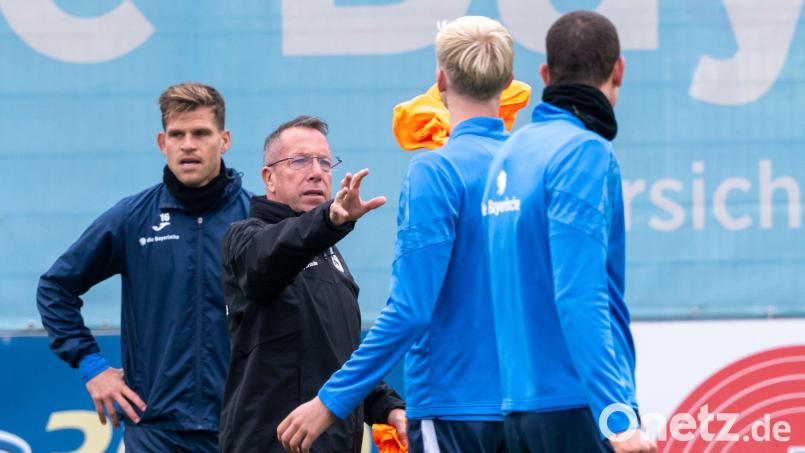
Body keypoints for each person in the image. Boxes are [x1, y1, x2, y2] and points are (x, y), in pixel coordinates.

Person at [278, 16, 514, 453]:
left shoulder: (436, 170)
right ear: (508, 82)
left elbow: (410, 311)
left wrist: (331, 400)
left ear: (440, 80)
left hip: (454, 412)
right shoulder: (532, 166)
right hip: (530, 410)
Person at [36, 82, 251, 451]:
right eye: (177, 134)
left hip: (240, 428)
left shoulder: (256, 221)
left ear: (225, 140)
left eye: (201, 133)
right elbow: (55, 288)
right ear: (161, 143)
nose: (188, 144)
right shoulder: (132, 219)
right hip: (155, 431)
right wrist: (93, 368)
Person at [481, 11, 657, 453]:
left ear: (544, 74)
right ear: (619, 69)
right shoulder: (584, 152)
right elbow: (580, 295)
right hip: (578, 408)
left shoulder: (510, 152)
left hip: (517, 408)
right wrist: (616, 416)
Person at [218, 115, 406, 452]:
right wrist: (331, 219)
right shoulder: (245, 237)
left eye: (324, 162)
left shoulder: (331, 256)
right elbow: (266, 262)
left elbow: (339, 357)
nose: (316, 171)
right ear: (268, 177)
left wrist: (387, 407)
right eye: (300, 160)